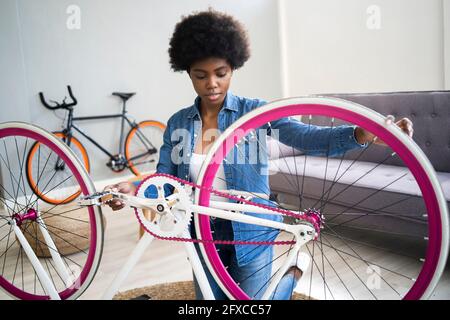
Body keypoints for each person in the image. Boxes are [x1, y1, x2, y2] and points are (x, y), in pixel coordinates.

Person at [105, 9, 414, 300]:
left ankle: (291, 274)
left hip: (252, 230)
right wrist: (133, 189)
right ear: (187, 73)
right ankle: (291, 275)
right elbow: (165, 178)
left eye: (220, 73)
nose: (212, 83)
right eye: (201, 75)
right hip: (202, 232)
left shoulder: (255, 112)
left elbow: (307, 137)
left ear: (233, 68)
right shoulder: (178, 123)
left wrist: (360, 134)